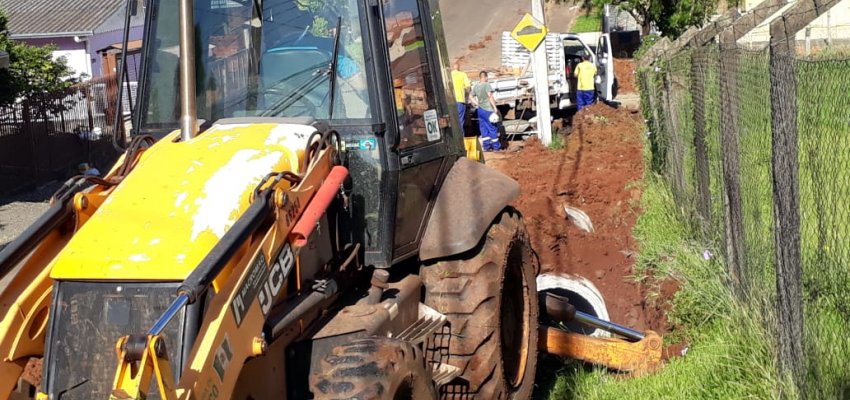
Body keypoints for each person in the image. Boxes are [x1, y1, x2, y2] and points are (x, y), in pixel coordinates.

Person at [472, 71, 501, 152]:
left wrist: (476, 103)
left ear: (480, 77)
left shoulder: (476, 86)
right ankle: (496, 147)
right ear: (486, 77)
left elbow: (471, 97)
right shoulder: (487, 85)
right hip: (488, 109)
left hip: (480, 110)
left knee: (483, 128)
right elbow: (490, 96)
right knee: (492, 127)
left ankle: (486, 147)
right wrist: (494, 107)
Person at [451, 62, 471, 135]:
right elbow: (468, 87)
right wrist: (467, 96)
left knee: (452, 121)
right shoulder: (462, 74)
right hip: (460, 101)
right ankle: (461, 139)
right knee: (460, 121)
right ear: (458, 67)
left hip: (451, 102)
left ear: (453, 67)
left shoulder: (449, 75)